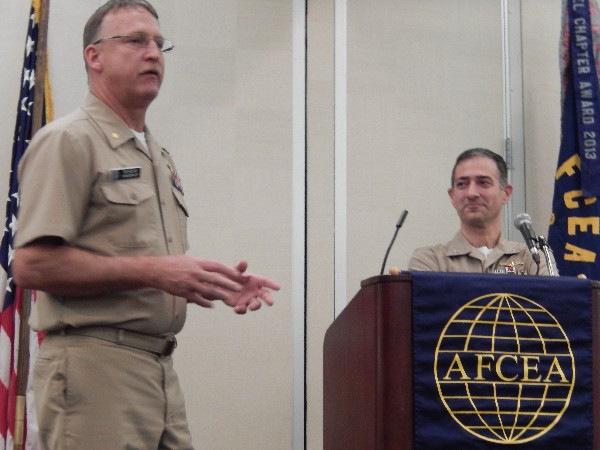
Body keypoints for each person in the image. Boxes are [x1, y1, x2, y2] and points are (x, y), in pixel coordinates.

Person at [12, 1, 280, 448]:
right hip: (93, 368)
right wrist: (157, 272)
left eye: (159, 43)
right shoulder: (68, 141)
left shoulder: (156, 155)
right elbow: (32, 266)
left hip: (157, 370)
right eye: (136, 41)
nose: (153, 53)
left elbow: (144, 258)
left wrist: (208, 281)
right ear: (93, 56)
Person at [408, 148, 555, 275]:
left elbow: (553, 304)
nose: (472, 193)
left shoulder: (531, 258)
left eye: (483, 182)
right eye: (462, 184)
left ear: (506, 193)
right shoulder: (431, 260)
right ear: (452, 196)